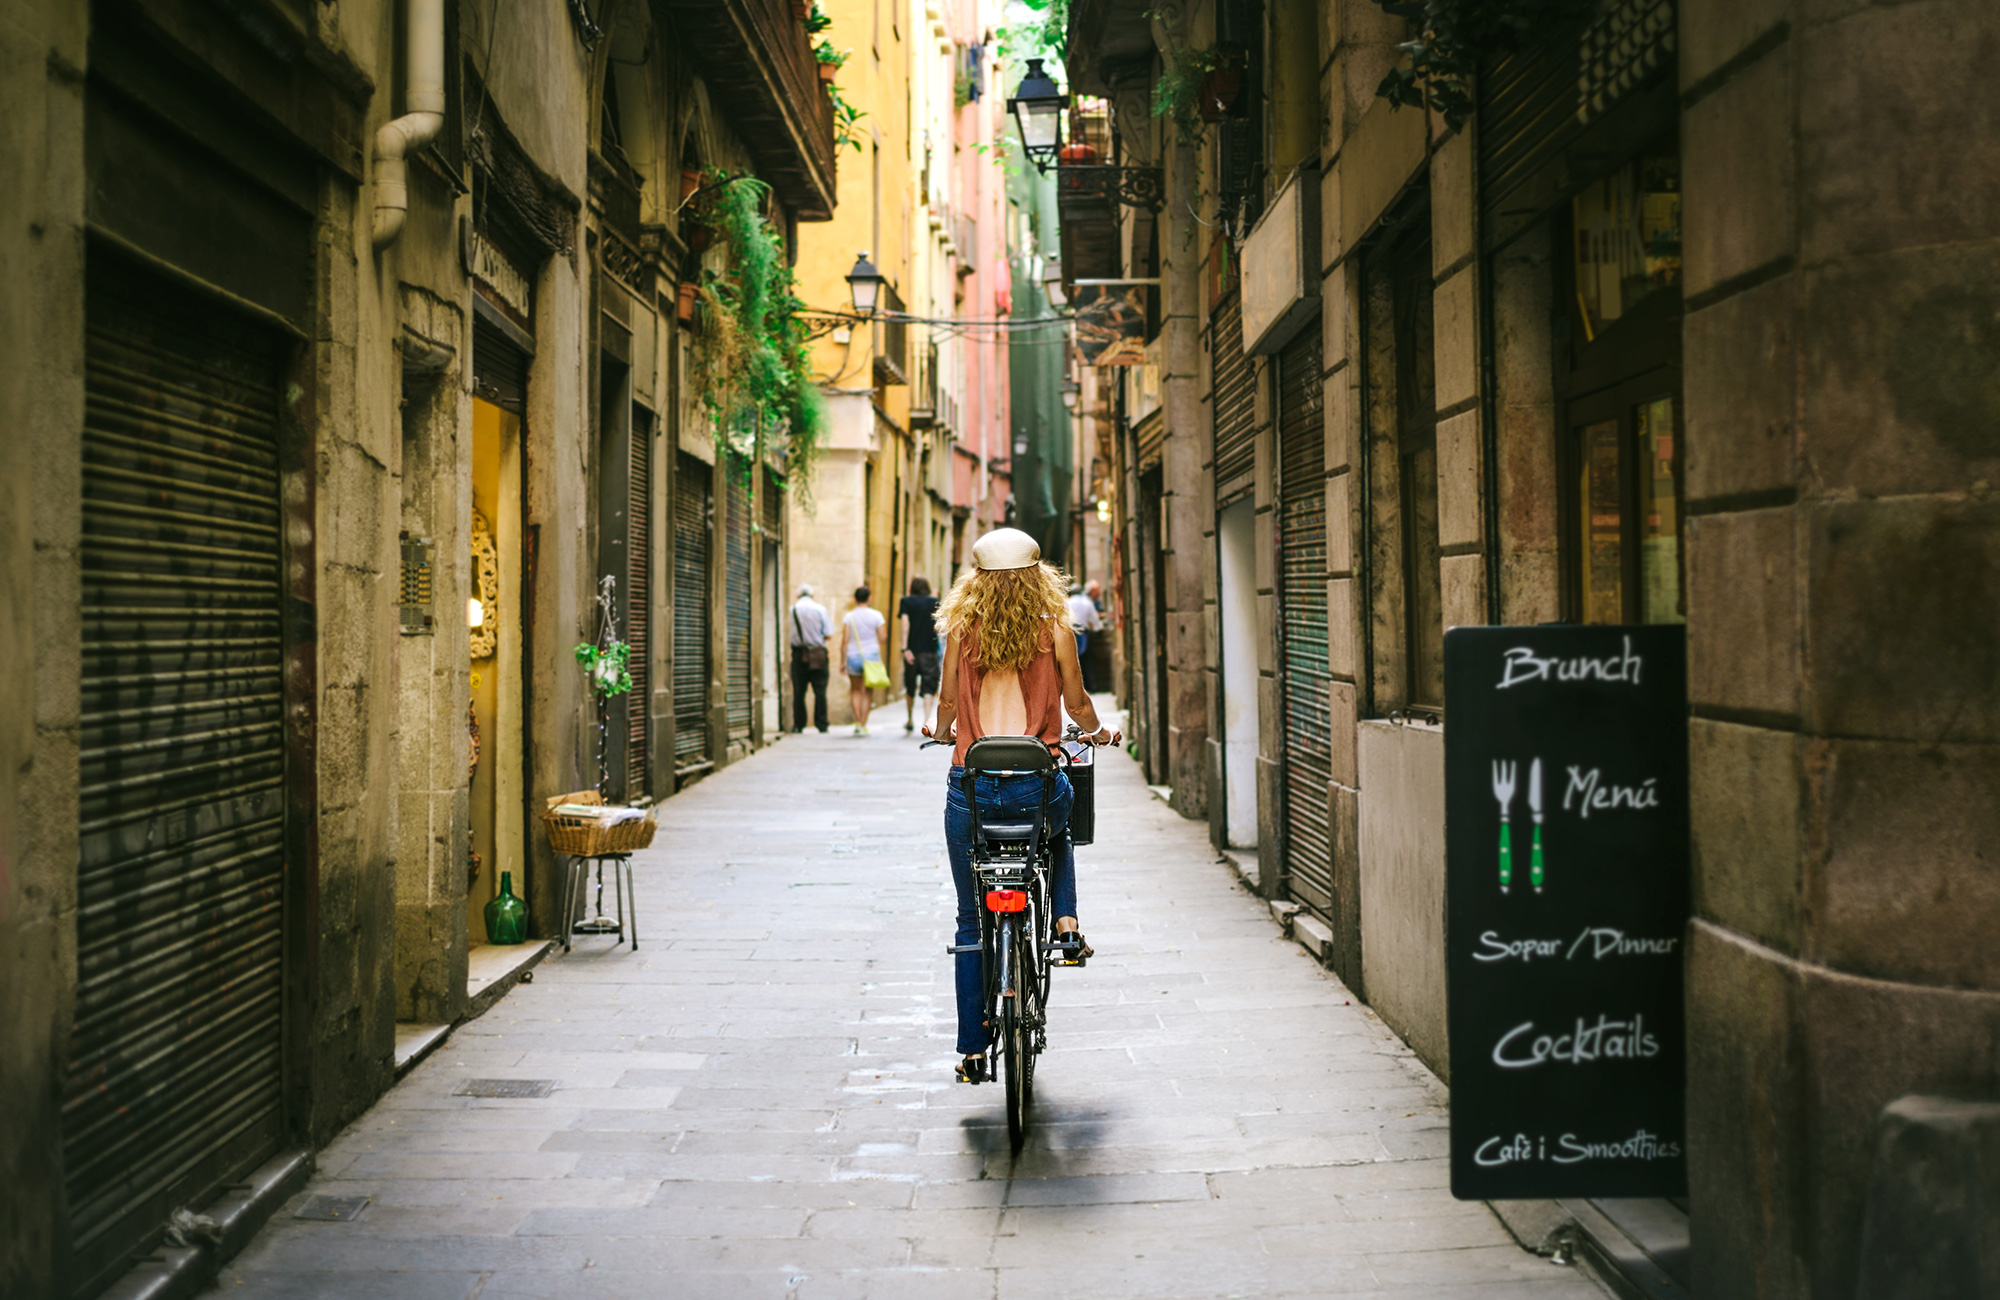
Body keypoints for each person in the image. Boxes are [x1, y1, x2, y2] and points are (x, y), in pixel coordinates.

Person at [923, 528, 1121, 1084]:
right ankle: (1065, 921)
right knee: (1061, 823)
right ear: (1038, 577)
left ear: (976, 581)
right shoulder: (1055, 627)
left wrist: (942, 730)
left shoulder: (961, 630)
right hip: (1035, 787)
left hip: (972, 788)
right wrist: (1099, 732)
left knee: (970, 918)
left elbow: (946, 702)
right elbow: (1078, 703)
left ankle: (972, 1050)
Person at [839, 585, 888, 735]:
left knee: (855, 690)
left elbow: (845, 640)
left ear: (855, 599)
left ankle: (857, 723)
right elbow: (883, 638)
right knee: (868, 691)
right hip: (871, 655)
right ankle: (864, 724)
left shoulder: (849, 616)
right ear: (869, 598)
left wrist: (842, 661)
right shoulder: (877, 615)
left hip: (853, 655)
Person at [898, 576, 941, 735]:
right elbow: (939, 626)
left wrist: (905, 648)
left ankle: (910, 719)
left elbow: (905, 624)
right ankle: (926, 721)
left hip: (912, 650)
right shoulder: (934, 602)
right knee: (929, 685)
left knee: (910, 685)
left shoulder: (906, 602)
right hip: (929, 649)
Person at [788, 584, 833, 734]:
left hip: (798, 653)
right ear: (813, 595)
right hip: (818, 653)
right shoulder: (820, 609)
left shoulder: (791, 610)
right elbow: (828, 633)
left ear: (797, 596)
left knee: (799, 691)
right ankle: (822, 723)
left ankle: (799, 724)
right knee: (820, 690)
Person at [1066, 582, 1104, 690]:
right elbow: (1095, 621)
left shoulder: (1067, 603)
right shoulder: (1087, 602)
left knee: (1072, 661)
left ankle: (1074, 687)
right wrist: (1098, 627)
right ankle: (1091, 686)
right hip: (1084, 633)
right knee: (1087, 661)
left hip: (1071, 632)